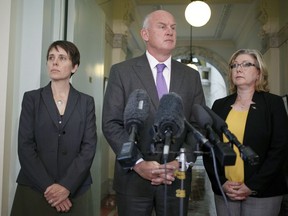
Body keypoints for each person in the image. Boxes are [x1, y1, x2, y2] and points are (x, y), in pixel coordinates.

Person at [102, 10, 205, 216]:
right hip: (133, 181)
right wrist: (138, 163)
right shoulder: (122, 72)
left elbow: (198, 126)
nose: (170, 31)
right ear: (145, 34)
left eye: (173, 27)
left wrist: (180, 162)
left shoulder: (191, 76)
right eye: (162, 26)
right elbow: (111, 123)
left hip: (177, 179)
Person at [11, 40, 97, 216]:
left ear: (74, 67)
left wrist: (66, 186)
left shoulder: (86, 102)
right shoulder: (31, 99)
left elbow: (88, 148)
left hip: (76, 191)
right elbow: (25, 146)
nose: (55, 62)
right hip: (35, 189)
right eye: (51, 58)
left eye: (62, 58)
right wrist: (50, 189)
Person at [203, 49, 288, 216]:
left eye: (246, 64)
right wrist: (221, 182)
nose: (238, 69)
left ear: (259, 72)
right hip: (226, 191)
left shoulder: (273, 104)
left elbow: (280, 150)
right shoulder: (219, 106)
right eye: (234, 65)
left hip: (263, 193)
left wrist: (252, 186)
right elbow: (209, 148)